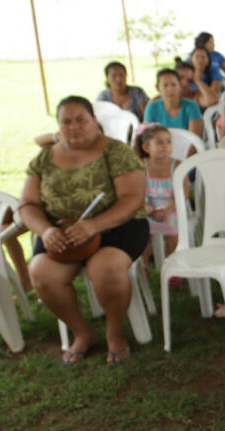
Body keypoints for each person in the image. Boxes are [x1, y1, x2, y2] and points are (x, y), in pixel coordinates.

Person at [20, 96, 149, 366]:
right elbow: (28, 204)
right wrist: (45, 231)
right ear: (58, 125)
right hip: (61, 232)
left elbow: (132, 198)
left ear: (94, 121)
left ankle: (114, 332)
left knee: (106, 268)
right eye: (66, 121)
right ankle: (83, 333)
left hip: (117, 226)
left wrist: (93, 225)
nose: (74, 126)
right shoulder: (44, 158)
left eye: (81, 119)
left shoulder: (115, 152)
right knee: (41, 273)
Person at [133, 124, 182, 262]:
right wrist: (144, 204)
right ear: (146, 147)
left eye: (168, 141)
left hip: (173, 207)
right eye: (159, 142)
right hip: (149, 207)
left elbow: (182, 195)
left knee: (172, 226)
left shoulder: (178, 165)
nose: (165, 146)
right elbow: (135, 191)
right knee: (138, 226)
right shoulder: (141, 165)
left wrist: (168, 210)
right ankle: (143, 262)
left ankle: (174, 259)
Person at [143, 69, 202, 137]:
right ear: (158, 88)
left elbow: (194, 139)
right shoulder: (152, 108)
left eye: (173, 85)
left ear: (180, 86)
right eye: (165, 85)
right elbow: (147, 138)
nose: (170, 89)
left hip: (187, 147)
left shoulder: (192, 106)